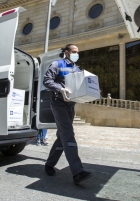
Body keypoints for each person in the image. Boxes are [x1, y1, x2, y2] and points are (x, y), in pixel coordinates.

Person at [43, 44, 92, 184]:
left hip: (71, 104)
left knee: (62, 135)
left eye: (78, 52)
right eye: (74, 52)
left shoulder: (77, 69)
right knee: (68, 133)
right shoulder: (56, 64)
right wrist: (60, 89)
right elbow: (47, 80)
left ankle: (49, 164)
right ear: (66, 52)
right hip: (58, 102)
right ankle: (78, 172)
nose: (77, 54)